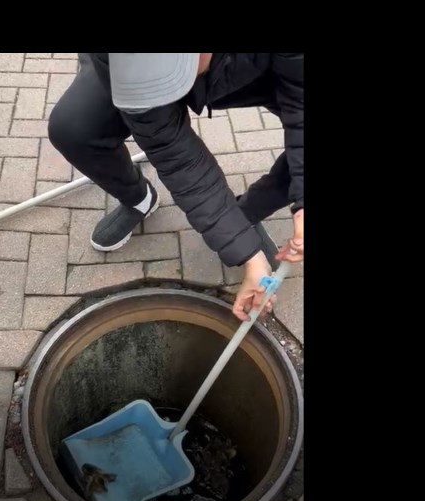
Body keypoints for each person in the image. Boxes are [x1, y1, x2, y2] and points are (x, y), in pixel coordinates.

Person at [48, 53, 303, 321]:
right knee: (74, 130)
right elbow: (174, 153)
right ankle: (139, 198)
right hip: (133, 67)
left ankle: (247, 212)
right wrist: (249, 256)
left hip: (254, 65)